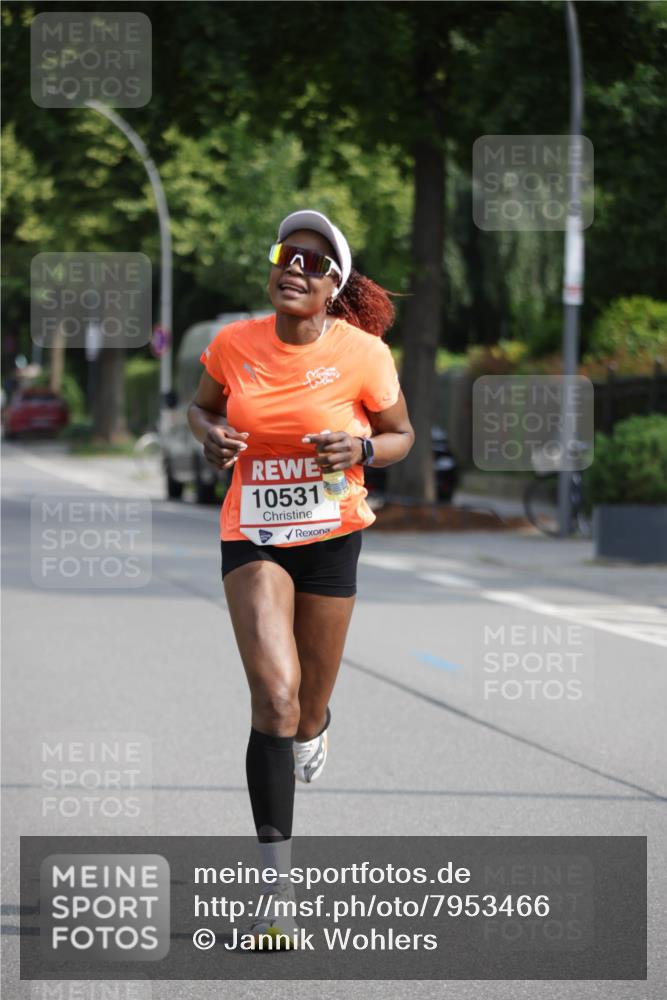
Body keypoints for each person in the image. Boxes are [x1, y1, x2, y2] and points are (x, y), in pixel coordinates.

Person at [187, 209, 414, 946]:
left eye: (314, 264)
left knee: (307, 710)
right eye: (289, 254)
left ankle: (316, 727)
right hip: (252, 532)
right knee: (274, 697)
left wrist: (358, 446)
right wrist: (211, 436)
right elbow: (198, 409)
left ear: (332, 287)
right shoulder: (231, 345)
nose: (296, 268)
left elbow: (399, 437)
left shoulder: (364, 355)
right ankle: (275, 892)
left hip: (330, 537)